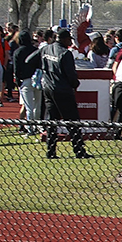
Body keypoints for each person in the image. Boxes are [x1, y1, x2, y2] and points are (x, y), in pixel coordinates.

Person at [40, 29, 91, 159]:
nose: (70, 42)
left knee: (52, 121)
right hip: (63, 90)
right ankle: (79, 150)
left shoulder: (46, 49)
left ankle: (51, 151)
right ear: (63, 39)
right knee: (73, 122)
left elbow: (29, 60)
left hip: (48, 88)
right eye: (69, 39)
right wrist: (75, 84)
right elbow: (71, 75)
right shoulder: (65, 53)